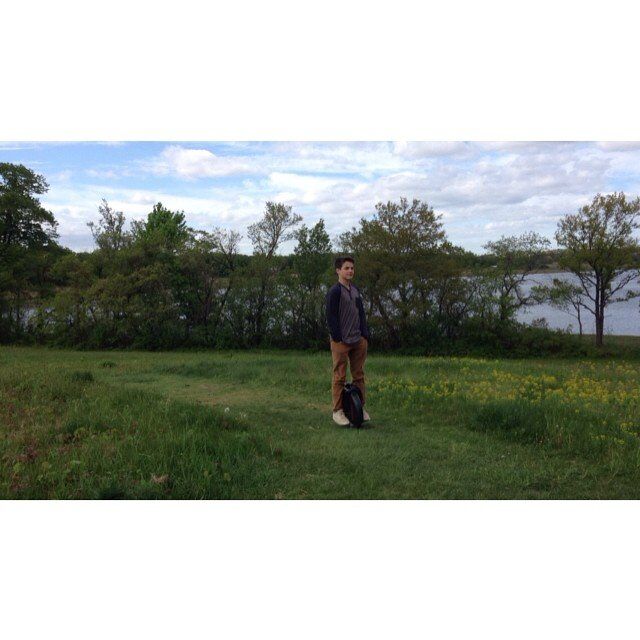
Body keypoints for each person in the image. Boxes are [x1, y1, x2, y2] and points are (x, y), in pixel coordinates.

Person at [325, 255, 371, 426]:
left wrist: (364, 334)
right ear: (338, 270)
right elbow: (330, 316)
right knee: (340, 376)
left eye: (352, 268)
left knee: (359, 375)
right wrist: (337, 337)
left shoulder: (355, 289)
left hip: (358, 339)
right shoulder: (335, 291)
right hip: (341, 342)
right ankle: (338, 411)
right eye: (346, 268)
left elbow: (361, 312)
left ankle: (360, 408)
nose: (350, 271)